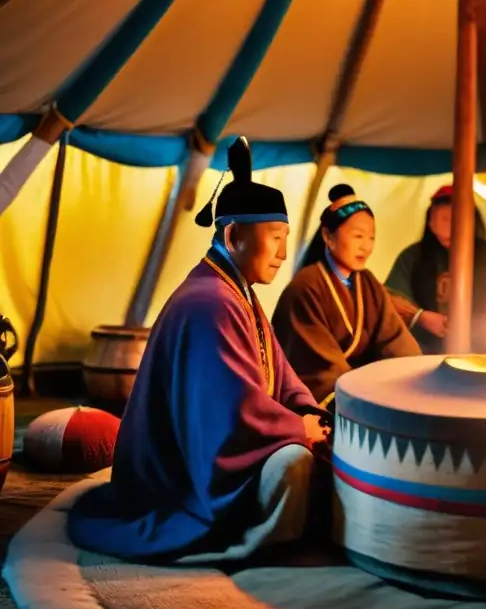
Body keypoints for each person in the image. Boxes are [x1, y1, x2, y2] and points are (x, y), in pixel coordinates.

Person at [67, 137, 330, 563]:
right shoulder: (210, 304)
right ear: (234, 235)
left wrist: (310, 412)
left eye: (286, 237)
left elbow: (278, 373)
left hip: (223, 444)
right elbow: (233, 412)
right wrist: (298, 430)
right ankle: (263, 546)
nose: (284, 253)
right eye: (276, 237)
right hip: (185, 475)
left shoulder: (236, 290)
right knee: (293, 463)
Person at [273, 184, 420, 409]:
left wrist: (415, 375)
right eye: (358, 235)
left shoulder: (368, 283)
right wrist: (360, 395)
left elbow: (394, 338)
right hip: (321, 400)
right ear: (328, 236)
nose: (366, 246)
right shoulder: (305, 287)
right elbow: (317, 368)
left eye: (371, 237)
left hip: (360, 390)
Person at [384, 185, 486, 354]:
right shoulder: (413, 257)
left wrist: (478, 326)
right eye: (444, 219)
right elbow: (389, 299)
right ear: (431, 222)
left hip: (484, 352)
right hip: (425, 352)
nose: (450, 227)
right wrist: (421, 317)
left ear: (472, 221)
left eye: (457, 219)